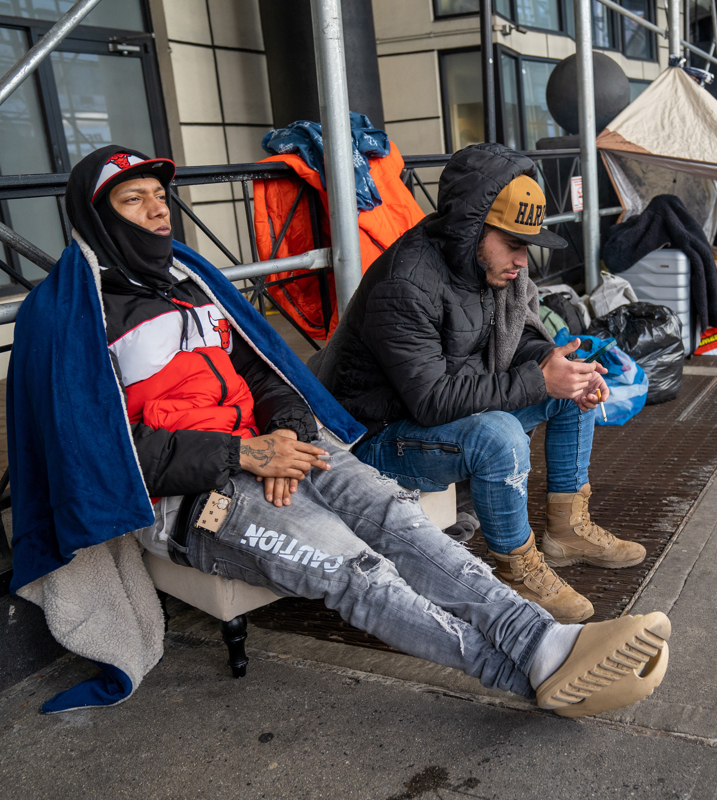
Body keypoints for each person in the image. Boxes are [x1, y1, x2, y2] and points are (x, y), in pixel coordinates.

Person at [7, 145, 672, 718]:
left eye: (161, 196)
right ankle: (526, 674)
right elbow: (98, 457)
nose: (158, 211)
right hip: (190, 496)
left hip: (279, 452)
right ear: (96, 217)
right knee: (357, 569)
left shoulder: (189, 286)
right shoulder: (68, 316)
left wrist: (291, 435)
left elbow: (266, 371)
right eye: (134, 200)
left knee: (395, 516)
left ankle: (543, 641)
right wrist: (244, 452)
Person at [310, 143, 644, 625]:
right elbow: (432, 400)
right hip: (375, 436)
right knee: (498, 436)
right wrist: (537, 379)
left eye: (526, 246)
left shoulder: (490, 270)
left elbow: (518, 343)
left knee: (571, 385)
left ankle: (567, 533)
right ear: (471, 231)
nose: (523, 261)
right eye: (513, 244)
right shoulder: (406, 284)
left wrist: (558, 367)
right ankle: (513, 567)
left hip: (436, 412)